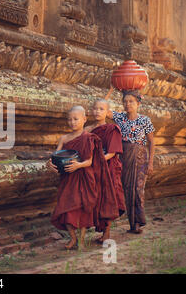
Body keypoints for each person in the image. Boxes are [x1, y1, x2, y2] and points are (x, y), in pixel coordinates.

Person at [47, 106, 101, 250]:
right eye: (69, 119)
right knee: (64, 207)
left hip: (82, 176)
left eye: (76, 119)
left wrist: (78, 165)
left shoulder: (88, 138)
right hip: (67, 178)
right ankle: (73, 238)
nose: (72, 122)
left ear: (84, 119)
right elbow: (54, 157)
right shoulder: (64, 138)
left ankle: (82, 241)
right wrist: (49, 164)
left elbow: (89, 161)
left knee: (82, 209)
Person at [105, 88, 155, 234]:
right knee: (126, 189)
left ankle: (138, 222)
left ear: (138, 103)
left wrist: (150, 163)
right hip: (124, 158)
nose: (128, 104)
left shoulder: (144, 120)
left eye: (131, 101)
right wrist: (110, 91)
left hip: (139, 157)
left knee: (138, 190)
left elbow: (152, 141)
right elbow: (103, 107)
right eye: (125, 101)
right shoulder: (120, 118)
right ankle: (132, 224)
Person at [85, 99, 126, 243]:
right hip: (94, 168)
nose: (97, 111)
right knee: (97, 198)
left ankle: (107, 233)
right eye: (95, 109)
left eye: (101, 109)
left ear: (107, 112)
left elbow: (112, 152)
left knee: (108, 198)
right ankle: (102, 231)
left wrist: (97, 161)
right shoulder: (89, 129)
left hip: (108, 168)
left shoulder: (112, 129)